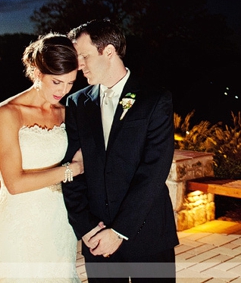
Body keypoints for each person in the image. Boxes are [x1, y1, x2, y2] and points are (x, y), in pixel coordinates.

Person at [62, 19, 178, 283]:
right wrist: (87, 228)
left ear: (109, 52)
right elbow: (70, 171)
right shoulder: (77, 103)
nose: (78, 65)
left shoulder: (155, 99)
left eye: (84, 56)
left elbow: (154, 171)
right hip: (97, 238)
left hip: (148, 235)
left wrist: (119, 231)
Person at [0, 33, 84, 282]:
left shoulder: (67, 113)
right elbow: (14, 184)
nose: (63, 90)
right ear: (37, 72)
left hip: (58, 220)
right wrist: (73, 169)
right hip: (21, 220)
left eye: (70, 83)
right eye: (57, 82)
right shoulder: (8, 113)